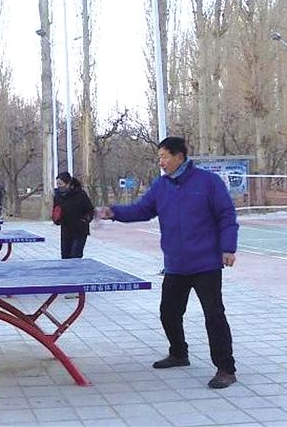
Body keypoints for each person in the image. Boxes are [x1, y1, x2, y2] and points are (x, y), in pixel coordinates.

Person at [95, 136, 238, 389]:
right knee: (169, 312)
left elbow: (226, 215)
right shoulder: (161, 186)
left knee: (214, 315)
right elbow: (142, 209)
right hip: (176, 264)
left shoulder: (208, 182)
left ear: (179, 157)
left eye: (164, 156)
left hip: (206, 263)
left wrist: (228, 247)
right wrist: (113, 212)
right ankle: (179, 354)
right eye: (159, 157)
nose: (160, 162)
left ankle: (226, 369)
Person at [52, 172, 94, 259]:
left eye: (60, 184)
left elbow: (90, 211)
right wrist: (56, 219)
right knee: (65, 256)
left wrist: (85, 220)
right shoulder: (57, 196)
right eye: (57, 184)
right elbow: (56, 211)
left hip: (80, 230)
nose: (59, 186)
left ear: (68, 184)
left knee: (75, 255)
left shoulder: (81, 194)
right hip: (66, 230)